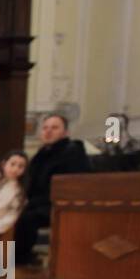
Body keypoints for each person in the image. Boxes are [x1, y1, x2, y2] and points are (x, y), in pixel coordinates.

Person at [15, 113, 91, 266]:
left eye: (54, 128)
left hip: (59, 204)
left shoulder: (73, 152)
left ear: (65, 132)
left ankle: (20, 258)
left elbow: (74, 184)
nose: (48, 131)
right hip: (38, 202)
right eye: (45, 128)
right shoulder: (41, 155)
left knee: (27, 219)